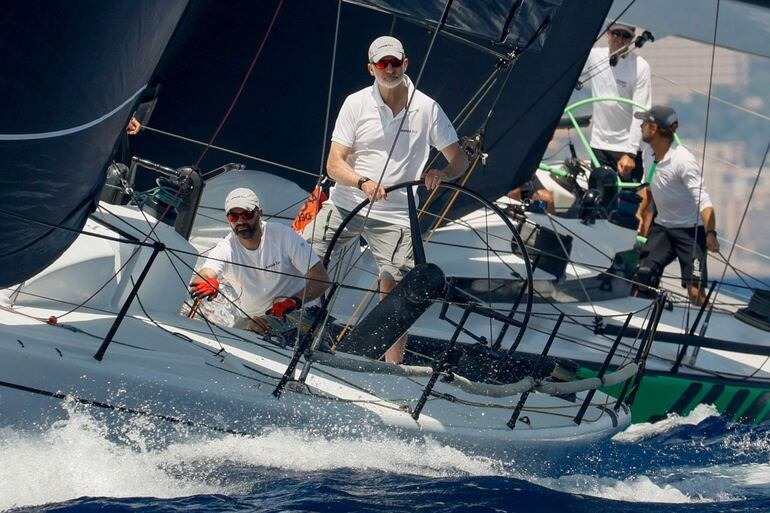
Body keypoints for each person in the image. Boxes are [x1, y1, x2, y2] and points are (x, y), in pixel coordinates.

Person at [302, 35, 468, 363]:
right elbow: (334, 164)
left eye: (395, 63)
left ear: (405, 64)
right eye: (382, 64)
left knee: (399, 288)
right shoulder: (355, 103)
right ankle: (277, 322)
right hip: (348, 202)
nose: (389, 69)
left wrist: (443, 173)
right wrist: (362, 182)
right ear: (371, 68)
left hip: (395, 215)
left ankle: (391, 368)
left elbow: (459, 159)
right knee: (305, 259)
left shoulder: (427, 108)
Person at [191, 187, 330, 333]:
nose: (240, 221)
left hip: (298, 313)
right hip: (253, 318)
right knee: (227, 337)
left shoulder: (283, 235)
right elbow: (204, 274)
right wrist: (206, 282)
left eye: (247, 214)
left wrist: (293, 302)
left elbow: (321, 279)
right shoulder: (226, 247)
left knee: (253, 329)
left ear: (260, 213)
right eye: (233, 216)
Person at [632, 106, 719, 305]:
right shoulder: (648, 153)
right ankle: (646, 319)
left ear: (654, 128)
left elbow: (705, 201)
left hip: (691, 233)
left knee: (695, 292)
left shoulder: (683, 160)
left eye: (644, 123)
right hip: (662, 228)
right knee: (643, 276)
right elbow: (648, 188)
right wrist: (639, 213)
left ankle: (705, 327)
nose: (641, 126)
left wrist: (710, 233)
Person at [583, 22, 651, 181]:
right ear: (608, 34)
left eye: (626, 36)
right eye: (616, 34)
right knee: (598, 200)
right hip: (599, 145)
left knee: (627, 201)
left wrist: (630, 153)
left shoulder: (641, 67)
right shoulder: (594, 57)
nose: (620, 40)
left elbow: (641, 112)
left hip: (626, 149)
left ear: (633, 39)